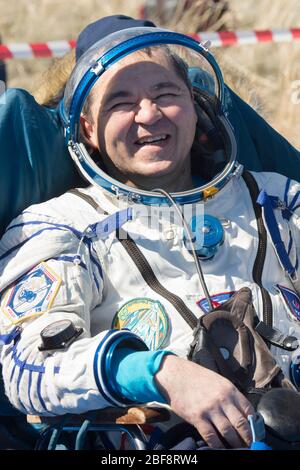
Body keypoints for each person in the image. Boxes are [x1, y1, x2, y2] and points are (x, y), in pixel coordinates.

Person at [0, 15, 300, 451]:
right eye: (121, 102)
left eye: (166, 93)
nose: (149, 114)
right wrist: (159, 374)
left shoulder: (279, 201)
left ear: (196, 107)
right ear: (88, 130)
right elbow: (25, 365)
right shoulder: (62, 228)